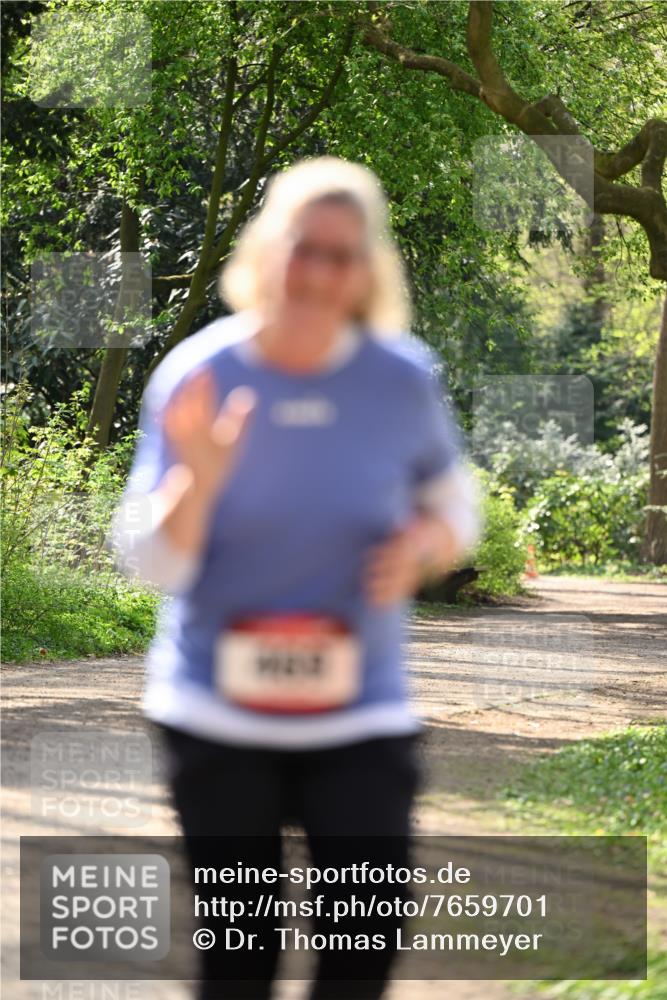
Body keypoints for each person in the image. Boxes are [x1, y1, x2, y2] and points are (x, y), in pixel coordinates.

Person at [111, 155, 481, 1000]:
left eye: (340, 256)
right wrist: (195, 482)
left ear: (366, 271)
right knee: (238, 963)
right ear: (265, 251)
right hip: (215, 710)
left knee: (363, 952)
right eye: (302, 248)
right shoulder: (199, 376)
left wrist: (423, 545)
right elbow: (150, 562)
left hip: (361, 714)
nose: (317, 272)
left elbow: (455, 513)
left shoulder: (401, 380)